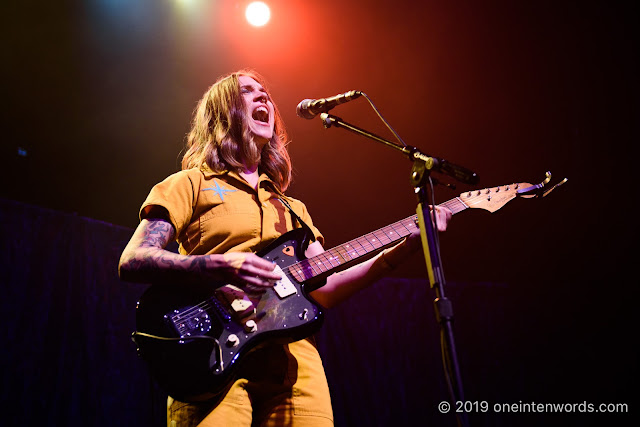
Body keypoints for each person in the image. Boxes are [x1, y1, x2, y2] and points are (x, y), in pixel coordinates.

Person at [119, 69, 452, 427]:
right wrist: (224, 266)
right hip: (211, 357)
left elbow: (326, 287)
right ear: (221, 112)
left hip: (294, 366)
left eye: (265, 93)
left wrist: (405, 247)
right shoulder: (190, 184)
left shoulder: (292, 207)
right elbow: (135, 259)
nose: (263, 97)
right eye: (248, 92)